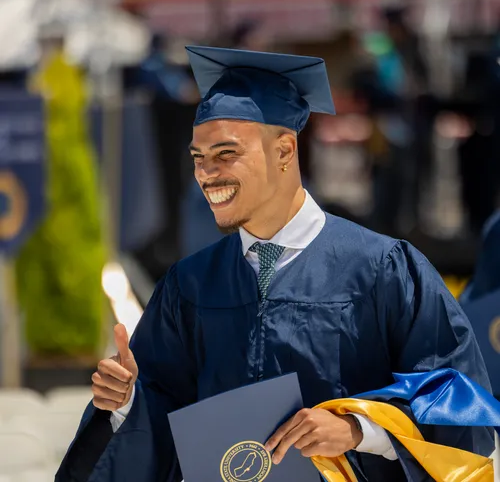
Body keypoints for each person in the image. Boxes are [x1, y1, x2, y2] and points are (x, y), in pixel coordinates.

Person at [56, 46, 494, 482]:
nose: (207, 173)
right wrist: (126, 402)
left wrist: (358, 430)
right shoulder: (190, 285)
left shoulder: (383, 269)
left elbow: (457, 403)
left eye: (226, 154)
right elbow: (163, 420)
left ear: (284, 150)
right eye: (198, 158)